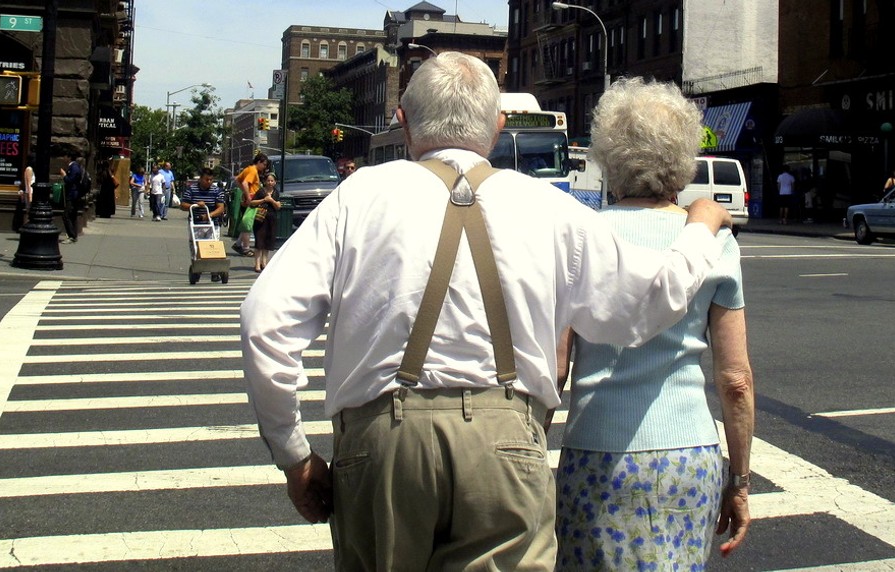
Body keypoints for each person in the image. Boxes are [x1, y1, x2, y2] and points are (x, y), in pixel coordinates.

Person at [239, 51, 731, 571]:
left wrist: (294, 458)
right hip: (506, 446)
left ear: (403, 121)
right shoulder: (549, 207)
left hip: (380, 446)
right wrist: (700, 225)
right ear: (498, 127)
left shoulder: (357, 196)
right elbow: (651, 302)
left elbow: (263, 323)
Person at [553, 78, 754, 571]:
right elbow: (736, 381)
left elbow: (555, 368)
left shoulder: (581, 238)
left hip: (595, 453)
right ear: (682, 158)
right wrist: (741, 481)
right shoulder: (713, 242)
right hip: (688, 455)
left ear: (608, 155)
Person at [180, 166, 226, 281]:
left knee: (212, 246)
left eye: (211, 180)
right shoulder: (192, 189)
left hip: (212, 222)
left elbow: (220, 208)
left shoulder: (216, 191)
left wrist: (209, 215)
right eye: (206, 179)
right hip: (196, 223)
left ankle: (215, 271)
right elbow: (183, 205)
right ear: (201, 179)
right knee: (196, 247)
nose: (209, 182)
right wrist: (194, 205)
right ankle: (197, 269)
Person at [231, 153, 270, 256]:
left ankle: (239, 244)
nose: (264, 167)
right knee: (248, 223)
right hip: (252, 200)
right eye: (264, 164)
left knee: (248, 223)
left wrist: (244, 192)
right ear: (258, 162)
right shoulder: (252, 171)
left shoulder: (249, 169)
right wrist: (248, 196)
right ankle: (245, 248)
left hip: (250, 199)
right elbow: (244, 183)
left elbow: (238, 180)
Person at [251, 171, 281, 272]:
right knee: (259, 241)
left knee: (268, 241)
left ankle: (264, 263)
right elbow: (252, 202)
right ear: (265, 181)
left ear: (275, 182)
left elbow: (278, 206)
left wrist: (271, 200)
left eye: (272, 181)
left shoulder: (276, 192)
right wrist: (264, 200)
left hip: (271, 219)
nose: (270, 182)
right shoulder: (261, 191)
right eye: (268, 180)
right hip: (260, 219)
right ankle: (257, 264)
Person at [59, 156, 86, 243]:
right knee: (72, 215)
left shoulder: (74, 167)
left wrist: (64, 175)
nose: (63, 158)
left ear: (69, 157)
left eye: (64, 156)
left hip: (72, 195)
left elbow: (70, 181)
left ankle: (71, 235)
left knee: (66, 215)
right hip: (74, 194)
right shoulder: (74, 166)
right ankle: (73, 235)